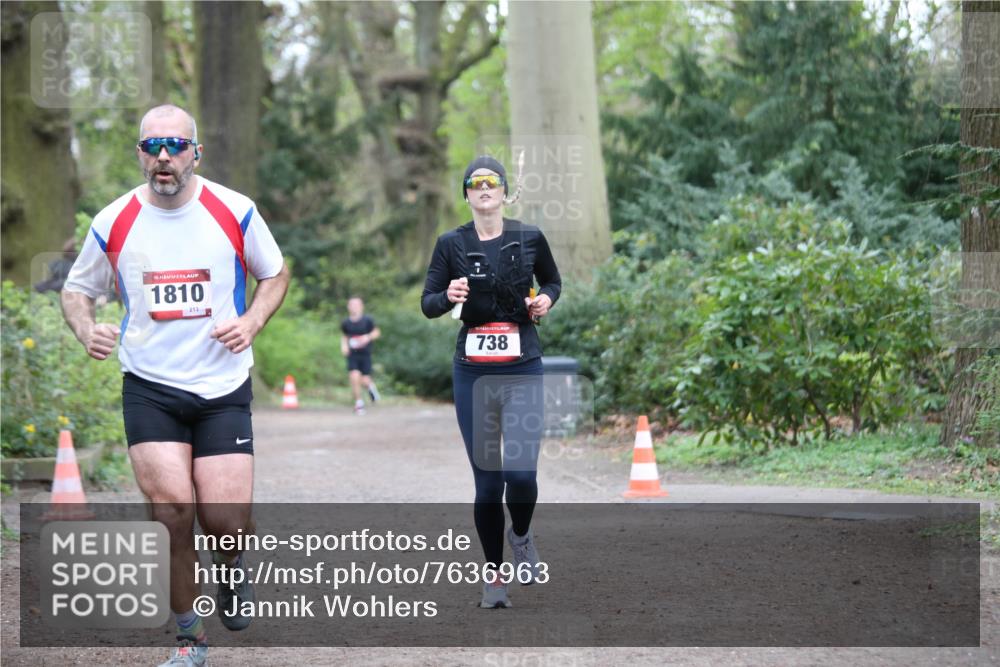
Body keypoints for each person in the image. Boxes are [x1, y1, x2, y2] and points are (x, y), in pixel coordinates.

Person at [61, 104, 290, 667]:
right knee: (171, 513)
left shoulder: (234, 210)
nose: (164, 158)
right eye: (152, 147)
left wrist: (252, 321)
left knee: (226, 524)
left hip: (222, 386)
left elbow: (275, 273)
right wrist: (87, 328)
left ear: (195, 153)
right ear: (140, 154)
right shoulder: (113, 220)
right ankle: (191, 637)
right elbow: (75, 289)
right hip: (150, 385)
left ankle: (232, 574)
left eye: (175, 146)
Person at [421, 155, 561, 609]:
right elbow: (427, 303)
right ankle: (495, 577)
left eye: (491, 182)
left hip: (522, 366)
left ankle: (520, 535)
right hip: (474, 372)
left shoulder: (529, 237)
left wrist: (545, 303)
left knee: (520, 476)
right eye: (475, 183)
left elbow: (554, 283)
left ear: (504, 191)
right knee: (487, 484)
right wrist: (449, 296)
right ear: (466, 194)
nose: (484, 188)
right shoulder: (450, 243)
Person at [340, 296, 381, 414]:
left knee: (365, 380)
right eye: (352, 305)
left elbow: (377, 332)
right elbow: (344, 336)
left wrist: (367, 337)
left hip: (365, 354)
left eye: (356, 305)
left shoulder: (367, 320)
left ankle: (371, 388)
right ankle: (359, 403)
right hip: (352, 354)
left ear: (361, 306)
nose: (354, 307)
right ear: (348, 307)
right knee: (354, 376)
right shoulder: (346, 323)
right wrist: (344, 346)